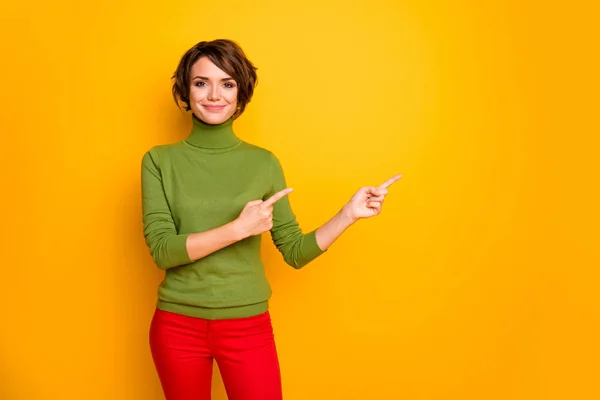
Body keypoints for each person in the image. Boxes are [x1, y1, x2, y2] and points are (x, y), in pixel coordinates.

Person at [141, 39, 402, 400]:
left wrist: (348, 215)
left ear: (240, 93)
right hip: (177, 327)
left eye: (227, 83)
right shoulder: (158, 161)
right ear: (186, 89)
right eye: (201, 82)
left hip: (248, 328)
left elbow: (294, 251)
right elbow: (163, 251)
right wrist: (237, 229)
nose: (214, 94)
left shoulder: (263, 163)